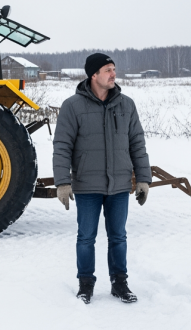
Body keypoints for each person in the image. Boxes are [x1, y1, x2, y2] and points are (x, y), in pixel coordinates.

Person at [52, 53, 151, 304]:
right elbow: (62, 146)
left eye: (114, 69)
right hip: (87, 185)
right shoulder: (73, 106)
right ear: (93, 75)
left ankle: (120, 283)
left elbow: (137, 144)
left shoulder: (126, 105)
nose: (113, 74)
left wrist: (143, 178)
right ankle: (85, 284)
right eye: (108, 70)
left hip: (118, 184)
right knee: (86, 237)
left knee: (118, 236)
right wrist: (63, 182)